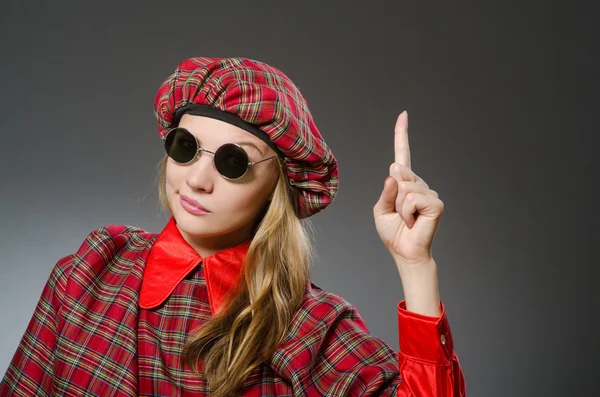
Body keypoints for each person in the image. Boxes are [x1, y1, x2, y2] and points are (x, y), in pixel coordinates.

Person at [0, 57, 466, 396]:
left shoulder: (308, 323)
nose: (198, 180)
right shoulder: (94, 268)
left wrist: (416, 265)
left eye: (232, 162)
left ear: (275, 188)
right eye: (185, 147)